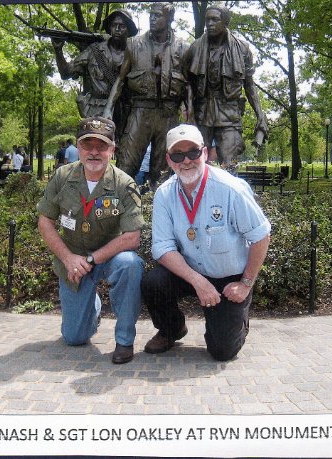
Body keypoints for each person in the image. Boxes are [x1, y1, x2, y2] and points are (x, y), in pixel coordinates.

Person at [142, 124, 271, 361]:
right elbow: (162, 247)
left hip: (228, 279)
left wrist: (245, 284)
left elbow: (260, 236)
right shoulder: (164, 194)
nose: (186, 161)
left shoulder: (231, 189)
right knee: (153, 282)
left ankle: (235, 320)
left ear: (204, 153)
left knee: (222, 352)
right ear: (169, 160)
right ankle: (172, 330)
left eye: (192, 152)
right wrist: (198, 281)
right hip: (190, 273)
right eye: (178, 155)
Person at [36, 116, 145, 364]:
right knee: (74, 337)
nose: (94, 152)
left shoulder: (124, 184)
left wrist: (90, 259)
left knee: (131, 264)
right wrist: (68, 258)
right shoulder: (62, 177)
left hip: (109, 257)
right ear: (78, 147)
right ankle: (91, 305)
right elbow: (45, 222)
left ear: (112, 150)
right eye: (88, 145)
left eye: (102, 146)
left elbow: (132, 237)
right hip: (73, 260)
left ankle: (125, 341)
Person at [103, 2, 190, 188]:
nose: (152, 18)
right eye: (151, 14)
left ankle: (158, 209)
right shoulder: (134, 45)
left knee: (164, 173)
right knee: (126, 165)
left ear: (169, 19)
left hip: (169, 114)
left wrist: (191, 117)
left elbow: (189, 87)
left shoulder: (183, 48)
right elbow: (120, 80)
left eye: (157, 15)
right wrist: (108, 110)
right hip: (140, 112)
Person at [183, 4, 268, 170]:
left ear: (226, 23)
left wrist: (260, 114)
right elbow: (187, 84)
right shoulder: (194, 48)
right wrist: (190, 113)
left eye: (215, 19)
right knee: (196, 162)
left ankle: (229, 195)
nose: (210, 23)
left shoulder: (242, 49)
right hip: (202, 113)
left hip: (229, 113)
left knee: (229, 165)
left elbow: (249, 84)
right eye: (208, 19)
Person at [52, 8, 138, 139]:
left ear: (129, 30)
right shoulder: (94, 51)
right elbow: (66, 73)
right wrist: (58, 50)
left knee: (125, 154)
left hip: (127, 111)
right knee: (95, 148)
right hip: (96, 111)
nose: (117, 29)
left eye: (122, 26)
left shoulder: (136, 54)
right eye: (114, 25)